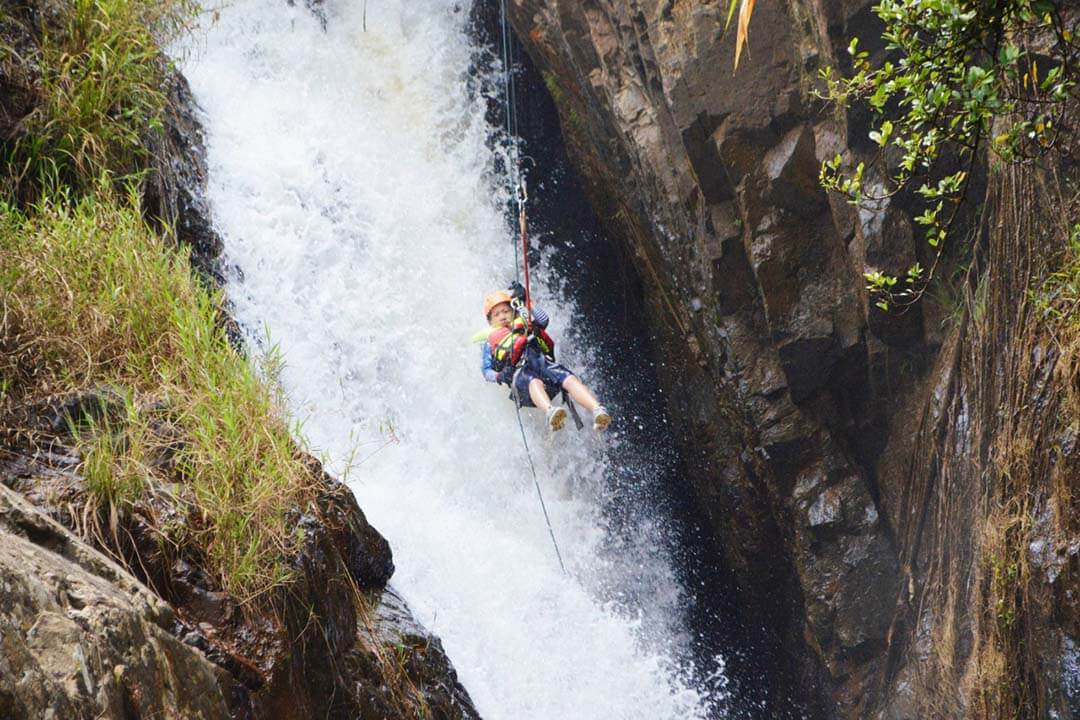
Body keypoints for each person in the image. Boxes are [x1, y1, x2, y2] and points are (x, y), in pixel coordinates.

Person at [480, 286, 612, 432]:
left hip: (542, 364)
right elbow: (486, 371)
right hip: (521, 374)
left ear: (513, 312)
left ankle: (597, 409)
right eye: (497, 314)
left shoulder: (524, 321)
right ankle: (550, 411)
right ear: (490, 321)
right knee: (534, 381)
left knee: (569, 378)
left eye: (506, 311)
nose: (502, 316)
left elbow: (543, 320)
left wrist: (526, 300)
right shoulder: (489, 342)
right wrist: (499, 376)